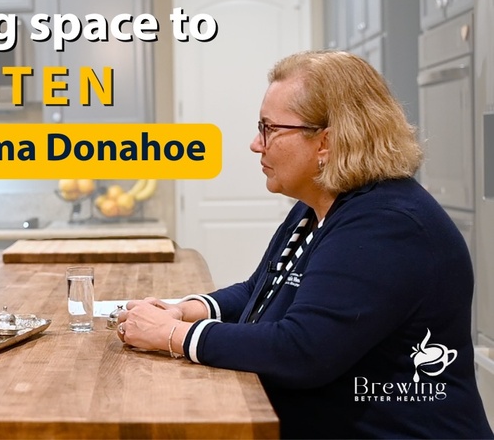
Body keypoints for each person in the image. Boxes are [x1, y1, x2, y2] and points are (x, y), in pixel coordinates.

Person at [117, 51, 494, 438]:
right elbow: (262, 289)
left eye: (268, 128)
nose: (255, 144)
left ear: (326, 142)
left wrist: (172, 336)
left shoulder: (387, 225)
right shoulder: (318, 205)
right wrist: (184, 309)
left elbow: (302, 351)